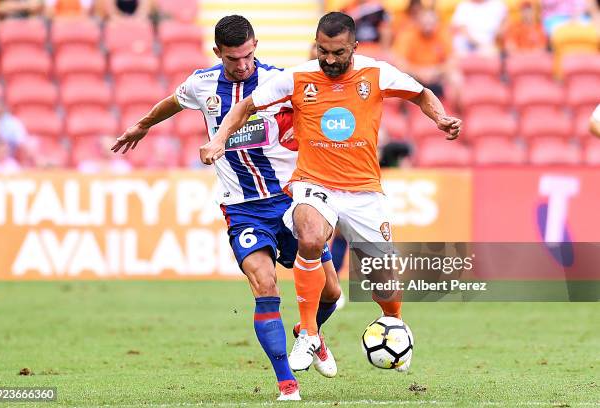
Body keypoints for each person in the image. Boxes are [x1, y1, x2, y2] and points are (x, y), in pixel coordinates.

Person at [200, 11, 461, 373]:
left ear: (354, 46)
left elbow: (423, 94)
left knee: (384, 284)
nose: (330, 59)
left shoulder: (377, 73)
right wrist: (218, 139)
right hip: (313, 183)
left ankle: (394, 323)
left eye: (338, 52)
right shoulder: (297, 77)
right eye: (323, 51)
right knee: (309, 235)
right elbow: (245, 106)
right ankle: (308, 332)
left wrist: (440, 117)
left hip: (364, 190)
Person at [111, 15, 341, 401]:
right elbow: (172, 102)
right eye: (234, 58)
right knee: (265, 285)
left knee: (331, 293)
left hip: (290, 200)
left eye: (249, 55)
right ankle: (287, 382)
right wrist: (142, 125)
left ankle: (309, 333)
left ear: (256, 47)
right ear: (218, 53)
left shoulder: (277, 80)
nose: (243, 65)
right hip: (243, 208)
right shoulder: (203, 84)